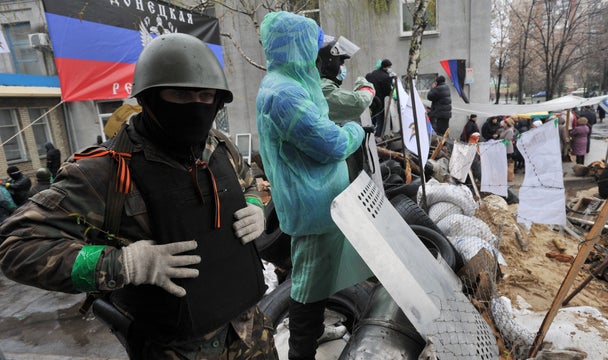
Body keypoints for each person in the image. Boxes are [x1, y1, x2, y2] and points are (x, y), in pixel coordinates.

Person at [0, 33, 275, 359]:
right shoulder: (103, 171)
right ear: (148, 98)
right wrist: (123, 264)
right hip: (178, 349)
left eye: (206, 95)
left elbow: (247, 181)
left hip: (251, 333)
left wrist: (254, 204)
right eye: (181, 95)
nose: (197, 106)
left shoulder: (219, 145)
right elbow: (17, 248)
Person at [257, 11, 370, 360]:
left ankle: (314, 334)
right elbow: (332, 143)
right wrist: (355, 130)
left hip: (317, 200)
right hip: (312, 205)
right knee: (308, 283)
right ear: (296, 46)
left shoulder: (292, 81)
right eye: (312, 45)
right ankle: (301, 350)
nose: (317, 53)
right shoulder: (284, 95)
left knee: (319, 278)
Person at [317, 36, 375, 124]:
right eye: (340, 61)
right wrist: (365, 86)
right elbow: (359, 102)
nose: (342, 65)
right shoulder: (324, 88)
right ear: (329, 62)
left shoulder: (318, 84)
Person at [365, 58, 394, 138]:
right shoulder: (386, 77)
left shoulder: (373, 74)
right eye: (389, 67)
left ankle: (370, 135)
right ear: (386, 67)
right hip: (381, 101)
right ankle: (378, 136)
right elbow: (388, 91)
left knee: (372, 119)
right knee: (380, 120)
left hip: (371, 99)